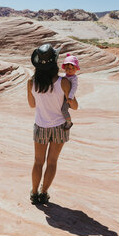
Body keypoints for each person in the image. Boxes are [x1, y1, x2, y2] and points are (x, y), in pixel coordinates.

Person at [27, 44, 78, 204]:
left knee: (38, 161)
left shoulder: (31, 82)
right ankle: (44, 193)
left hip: (41, 125)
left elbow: (32, 104)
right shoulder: (63, 82)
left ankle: (34, 193)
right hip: (60, 127)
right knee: (52, 161)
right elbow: (74, 106)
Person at [61, 53, 80, 130]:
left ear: (76, 69)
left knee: (64, 110)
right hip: (64, 96)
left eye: (72, 68)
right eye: (68, 68)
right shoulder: (65, 77)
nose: (70, 70)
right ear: (64, 68)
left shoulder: (74, 78)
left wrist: (70, 97)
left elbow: (74, 88)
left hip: (68, 98)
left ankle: (69, 122)